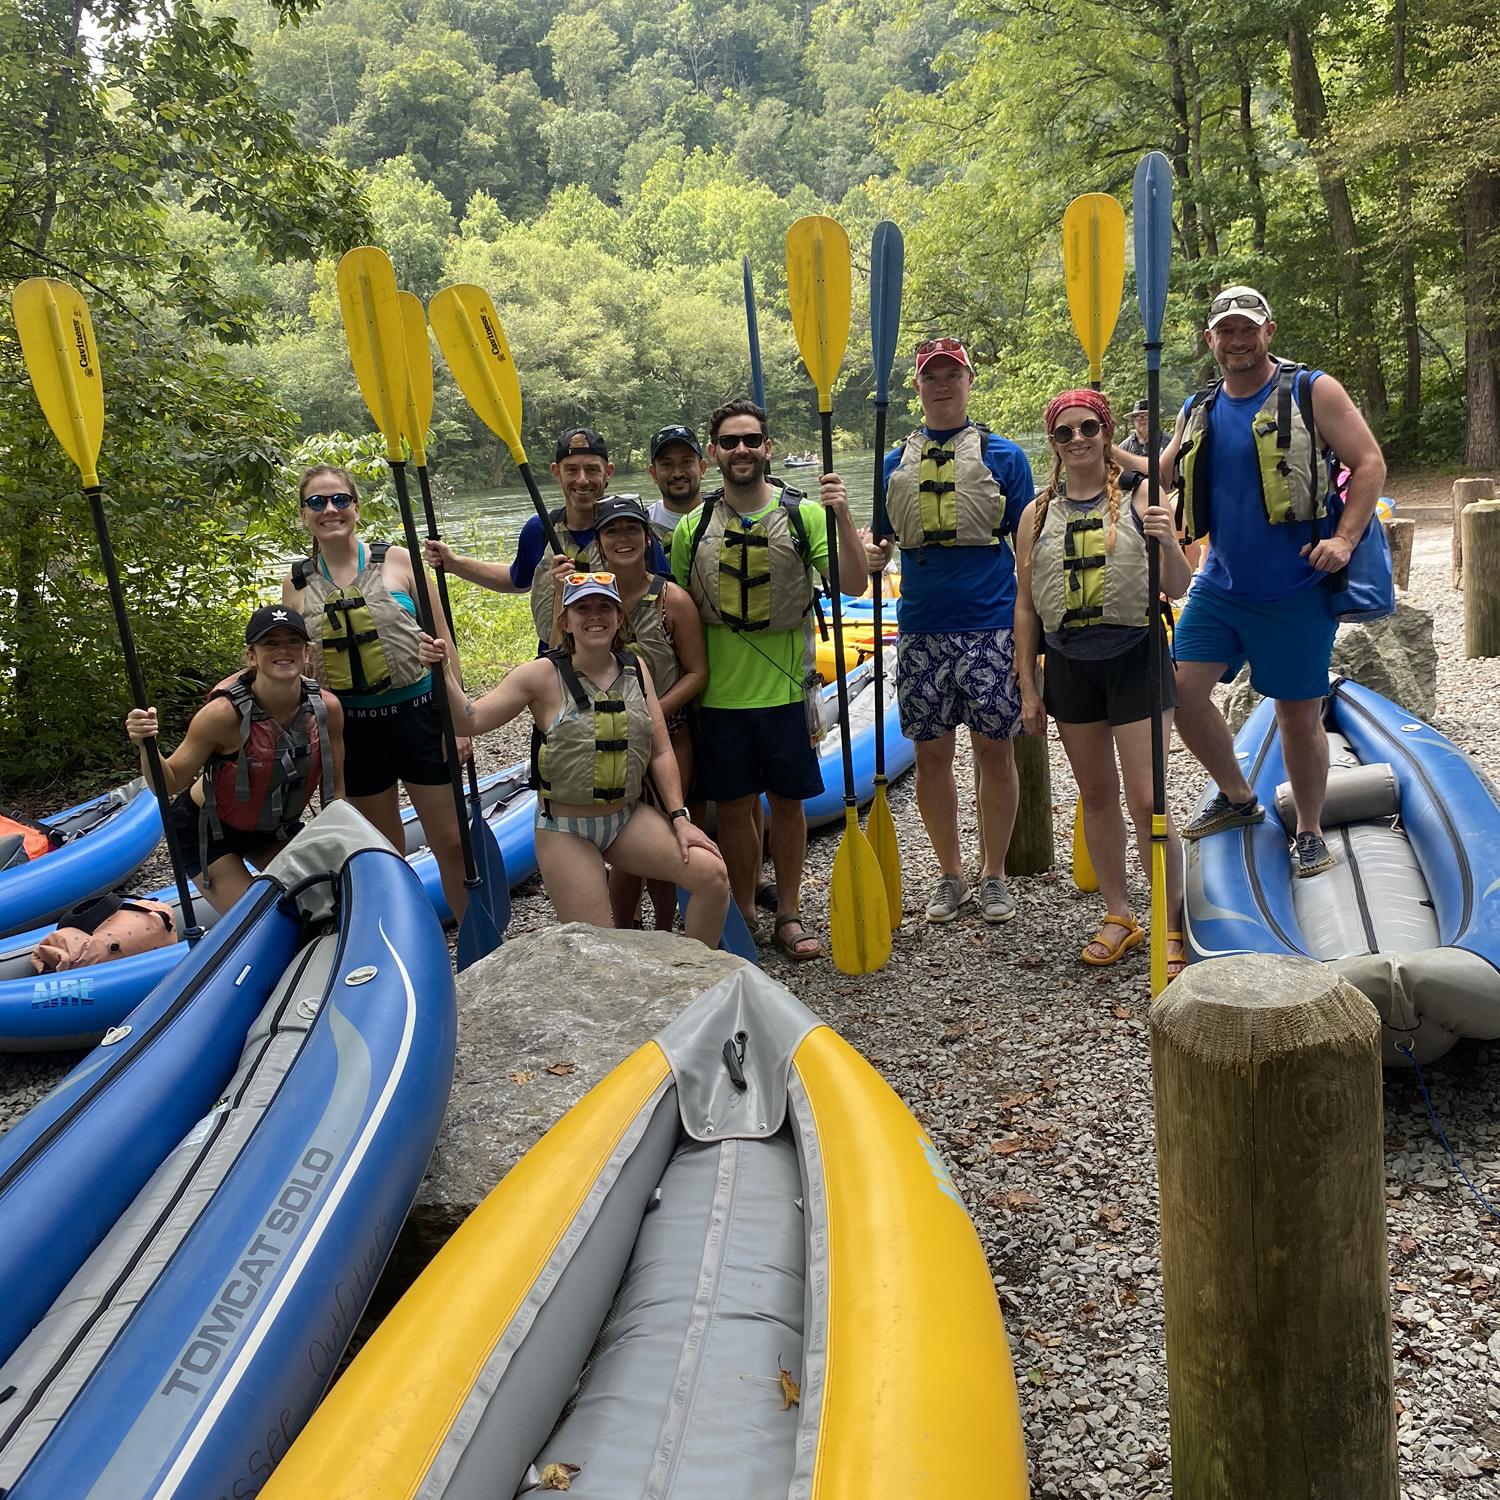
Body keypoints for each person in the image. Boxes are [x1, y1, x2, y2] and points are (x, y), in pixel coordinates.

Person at [1156, 285, 1386, 876]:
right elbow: (1162, 473)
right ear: (1210, 340)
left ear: (1268, 331)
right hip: (1220, 585)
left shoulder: (1313, 391)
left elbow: (1369, 462)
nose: (1237, 340)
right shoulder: (1198, 407)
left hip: (1296, 588)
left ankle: (1309, 830)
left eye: (1246, 328)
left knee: (1296, 715)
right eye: (1225, 331)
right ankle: (1238, 798)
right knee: (1179, 692)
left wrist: (1344, 539)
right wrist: (1100, 456)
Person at [419, 573, 730, 947]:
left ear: (619, 618)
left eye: (604, 607)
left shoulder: (636, 669)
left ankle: (697, 979)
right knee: (600, 948)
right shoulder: (540, 676)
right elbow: (471, 719)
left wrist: (680, 819)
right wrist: (443, 674)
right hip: (565, 829)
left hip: (626, 818)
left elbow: (661, 751)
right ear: (565, 621)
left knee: (712, 876)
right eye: (582, 608)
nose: (594, 616)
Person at [671, 398, 868, 961]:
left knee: (787, 803)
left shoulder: (805, 516)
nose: (741, 450)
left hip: (788, 693)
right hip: (721, 698)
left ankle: (789, 911)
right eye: (730, 442)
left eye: (751, 440)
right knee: (732, 809)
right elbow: (677, 610)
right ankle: (744, 912)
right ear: (714, 454)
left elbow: (853, 583)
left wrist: (843, 514)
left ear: (767, 448)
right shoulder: (693, 527)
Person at [1014, 390, 1190, 975]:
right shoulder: (1036, 515)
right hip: (1069, 665)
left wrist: (1167, 539)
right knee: (1095, 795)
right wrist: (1029, 688)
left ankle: (1171, 919)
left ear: (1107, 433)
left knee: (1148, 800)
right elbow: (1026, 607)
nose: (1078, 439)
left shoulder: (1146, 497)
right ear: (1054, 444)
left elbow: (1180, 585)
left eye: (1089, 427)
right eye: (1065, 433)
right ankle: (1119, 913)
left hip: (1136, 656)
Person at [865, 337, 1035, 925]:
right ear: (918, 386)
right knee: (931, 756)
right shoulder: (893, 464)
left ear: (968, 382)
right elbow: (879, 543)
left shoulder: (1005, 456)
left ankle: (994, 874)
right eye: (931, 376)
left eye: (952, 374)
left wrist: (1031, 637)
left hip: (989, 624)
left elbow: (1031, 548)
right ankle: (949, 875)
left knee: (995, 752)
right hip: (921, 630)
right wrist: (864, 549)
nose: (942, 384)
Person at [282, 465, 470, 919]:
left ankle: (478, 938)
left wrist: (459, 723)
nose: (330, 510)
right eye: (318, 503)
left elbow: (443, 637)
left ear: (356, 507)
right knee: (384, 849)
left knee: (450, 840)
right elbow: (290, 665)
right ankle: (403, 937)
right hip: (354, 729)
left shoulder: (398, 560)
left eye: (340, 500)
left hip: (419, 715)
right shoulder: (297, 584)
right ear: (305, 515)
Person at [545, 494, 707, 932]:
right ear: (597, 541)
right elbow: (556, 655)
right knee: (623, 851)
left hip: (666, 737)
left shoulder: (670, 598)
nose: (623, 538)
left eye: (632, 529)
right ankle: (624, 929)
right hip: (601, 741)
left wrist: (647, 715)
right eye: (611, 530)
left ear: (647, 536)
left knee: (663, 841)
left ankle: (663, 929)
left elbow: (697, 673)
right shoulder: (581, 594)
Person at [122, 604, 346, 916]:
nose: (284, 650)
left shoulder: (327, 709)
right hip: (208, 830)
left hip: (274, 827)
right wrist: (146, 745)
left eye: (293, 642)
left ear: (307, 652)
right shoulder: (222, 716)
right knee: (263, 920)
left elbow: (335, 794)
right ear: (251, 656)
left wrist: (344, 849)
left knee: (326, 902)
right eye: (270, 643)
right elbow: (169, 782)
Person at [424, 427, 667, 653]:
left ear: (608, 472)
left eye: (592, 469)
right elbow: (516, 579)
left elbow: (666, 592)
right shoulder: (539, 529)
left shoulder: (631, 533)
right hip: (553, 661)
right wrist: (454, 563)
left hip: (619, 664)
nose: (582, 480)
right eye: (571, 469)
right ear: (556, 473)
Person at [646, 424, 708, 549]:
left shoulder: (724, 515)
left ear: (702, 468)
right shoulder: (643, 527)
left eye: (686, 462)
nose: (677, 473)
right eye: (667, 464)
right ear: (654, 473)